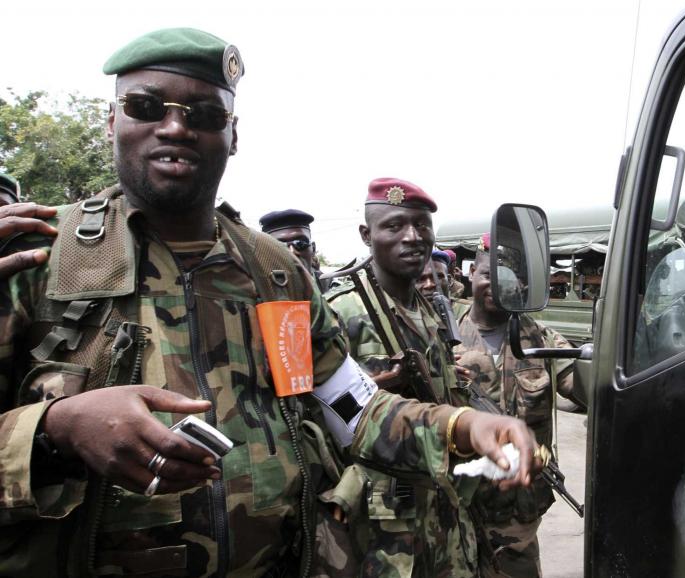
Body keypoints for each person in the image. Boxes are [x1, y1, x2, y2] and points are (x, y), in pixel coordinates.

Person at [0, 29, 539, 577]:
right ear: (112, 121)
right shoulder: (36, 256)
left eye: (206, 115)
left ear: (233, 135)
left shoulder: (276, 272)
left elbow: (351, 408)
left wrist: (463, 427)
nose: (175, 127)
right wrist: (54, 431)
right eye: (145, 106)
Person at [327, 177, 485, 576]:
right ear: (367, 235)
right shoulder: (341, 312)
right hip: (385, 524)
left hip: (444, 508)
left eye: (422, 225)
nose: (413, 237)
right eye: (394, 226)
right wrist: (369, 393)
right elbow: (314, 420)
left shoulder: (428, 310)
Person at [455, 235, 585, 578]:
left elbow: (580, 387)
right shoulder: (443, 335)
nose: (497, 287)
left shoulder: (542, 340)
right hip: (457, 505)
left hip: (517, 514)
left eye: (508, 279)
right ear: (471, 273)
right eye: (488, 275)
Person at [260, 208, 332, 292]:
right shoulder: (257, 291)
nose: (292, 251)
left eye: (300, 243)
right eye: (280, 246)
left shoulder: (330, 286)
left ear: (313, 249)